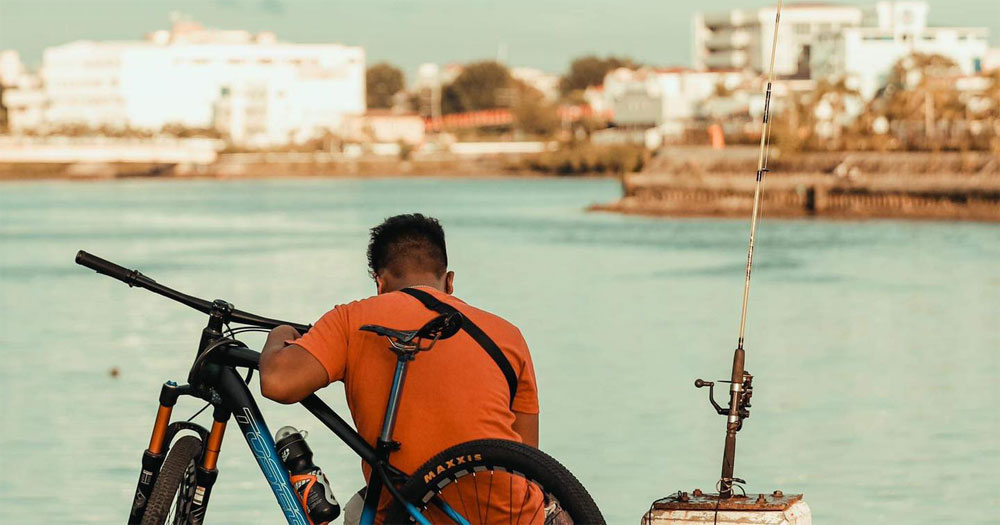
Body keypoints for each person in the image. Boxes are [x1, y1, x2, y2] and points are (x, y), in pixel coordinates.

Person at [258, 213, 540, 523]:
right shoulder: (507, 334)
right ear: (450, 282)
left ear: (379, 282)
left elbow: (277, 382)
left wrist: (280, 335)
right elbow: (528, 455)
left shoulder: (356, 321)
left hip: (409, 514)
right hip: (513, 517)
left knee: (357, 511)